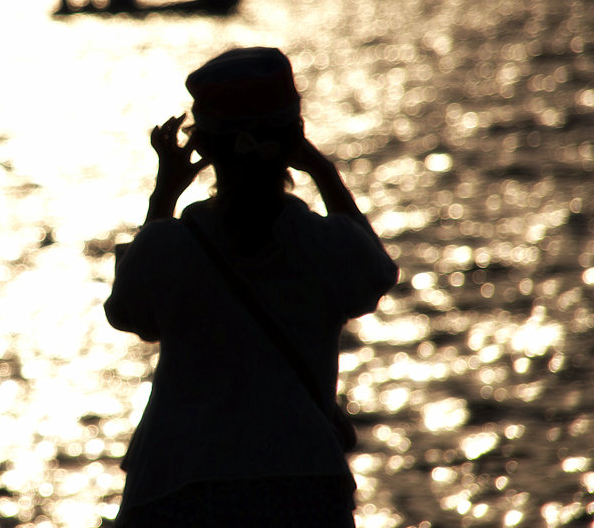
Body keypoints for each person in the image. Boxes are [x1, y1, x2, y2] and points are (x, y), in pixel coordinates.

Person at [105, 47, 398, 527]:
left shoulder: (169, 247)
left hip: (179, 483)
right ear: (293, 139)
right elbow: (374, 275)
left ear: (203, 148)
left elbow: (131, 313)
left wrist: (164, 195)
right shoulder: (326, 245)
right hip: (304, 485)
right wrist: (323, 171)